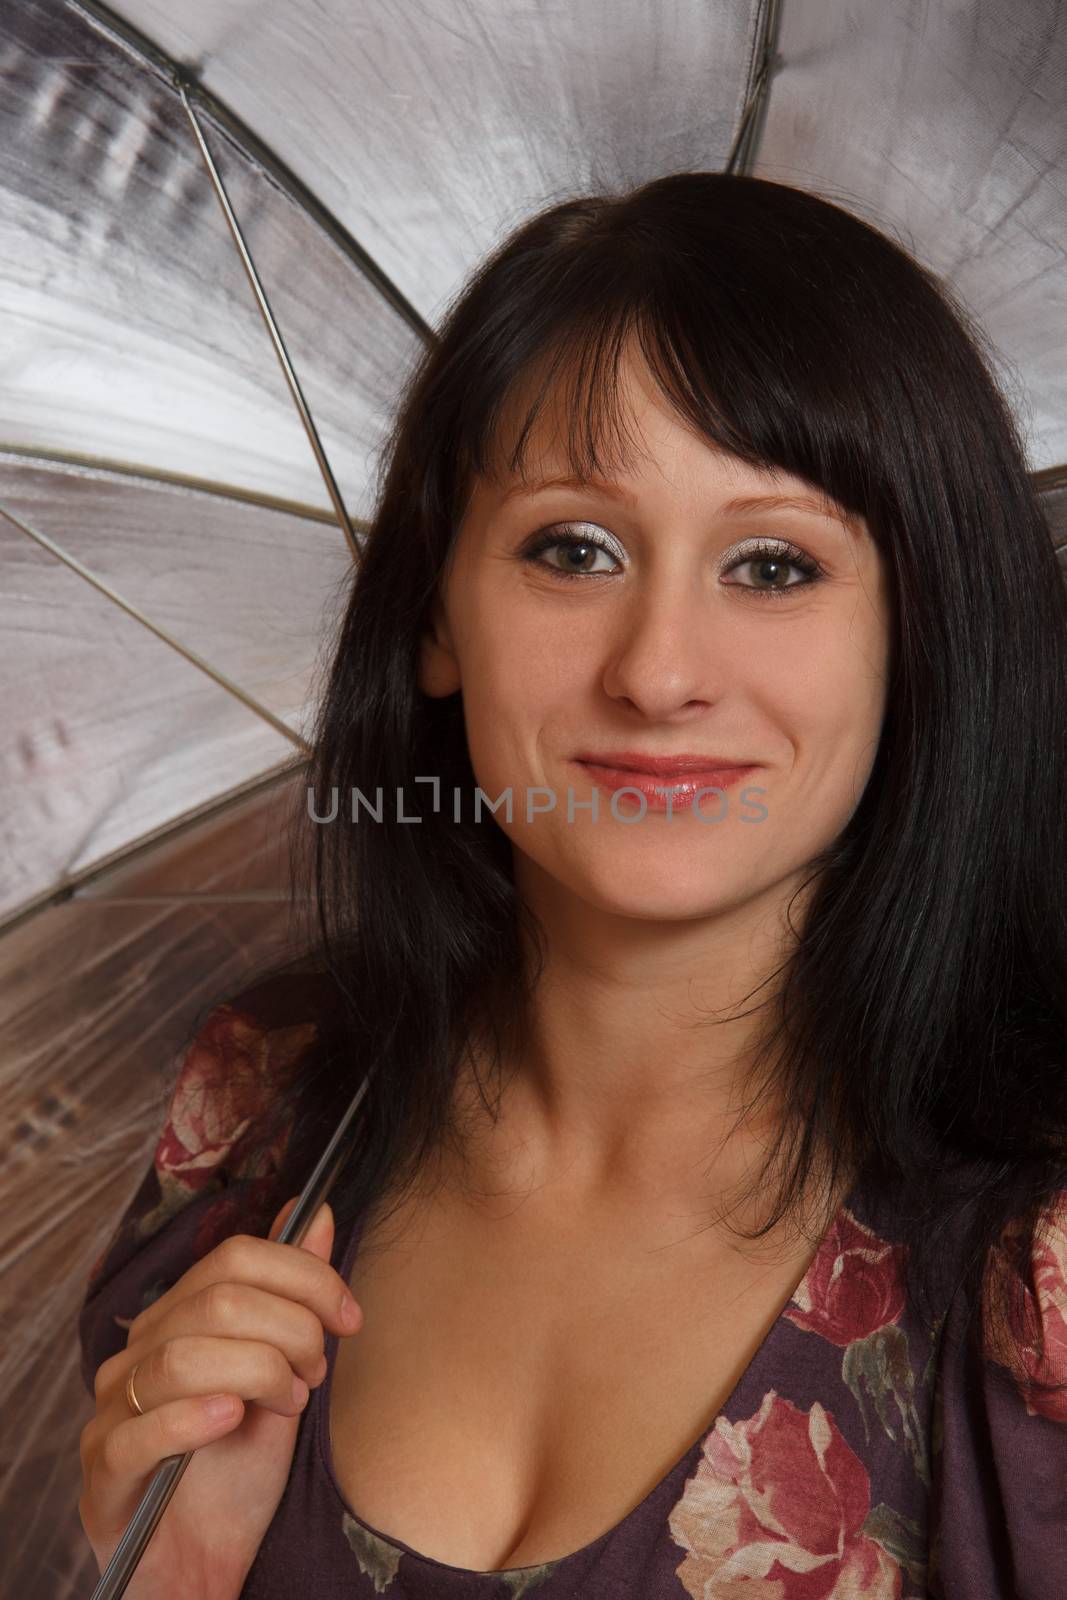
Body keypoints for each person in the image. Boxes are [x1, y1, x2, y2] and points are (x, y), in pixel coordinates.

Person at [77, 170, 1067, 1599]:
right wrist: (175, 1578)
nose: (658, 671)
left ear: (916, 638)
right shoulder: (266, 1118)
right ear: (436, 617)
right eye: (574, 549)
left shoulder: (1035, 1273)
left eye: (775, 565)